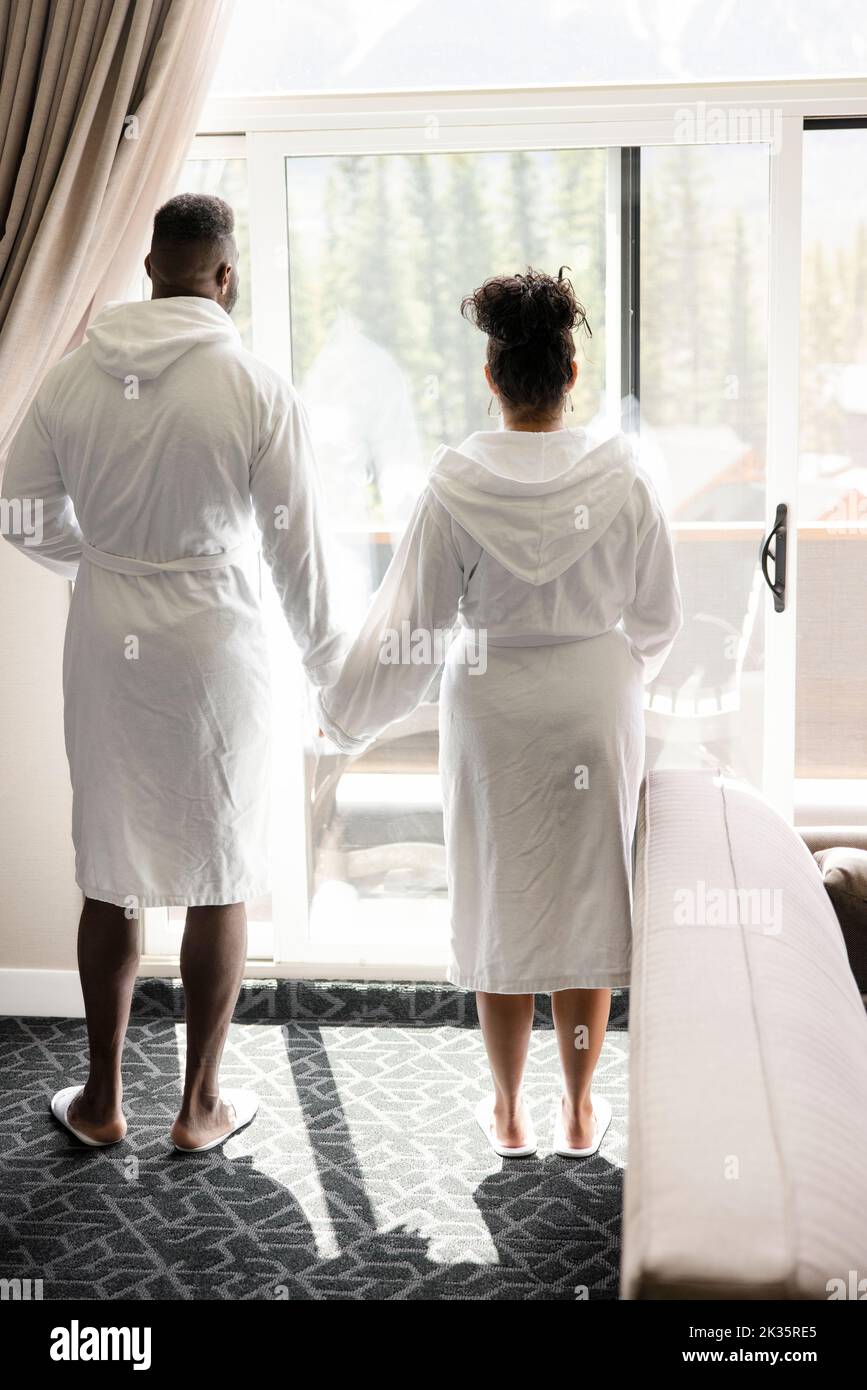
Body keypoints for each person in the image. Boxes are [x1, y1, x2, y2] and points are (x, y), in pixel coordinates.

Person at [1, 194, 345, 1153]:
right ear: (225, 276)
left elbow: (15, 506)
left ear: (150, 268)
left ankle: (102, 1100)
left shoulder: (74, 375)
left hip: (107, 634)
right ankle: (197, 1108)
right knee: (219, 868)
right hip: (214, 643)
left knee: (109, 870)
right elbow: (298, 555)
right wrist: (330, 672)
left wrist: (96, 561)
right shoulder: (254, 386)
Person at [316, 269, 683, 1159]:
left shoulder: (454, 488)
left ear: (492, 378)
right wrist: (611, 670)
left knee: (500, 898)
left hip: (490, 710)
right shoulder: (625, 479)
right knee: (588, 901)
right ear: (570, 374)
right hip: (595, 703)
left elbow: (411, 628)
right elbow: (658, 619)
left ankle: (510, 1109)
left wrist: (343, 715)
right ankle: (579, 1109)